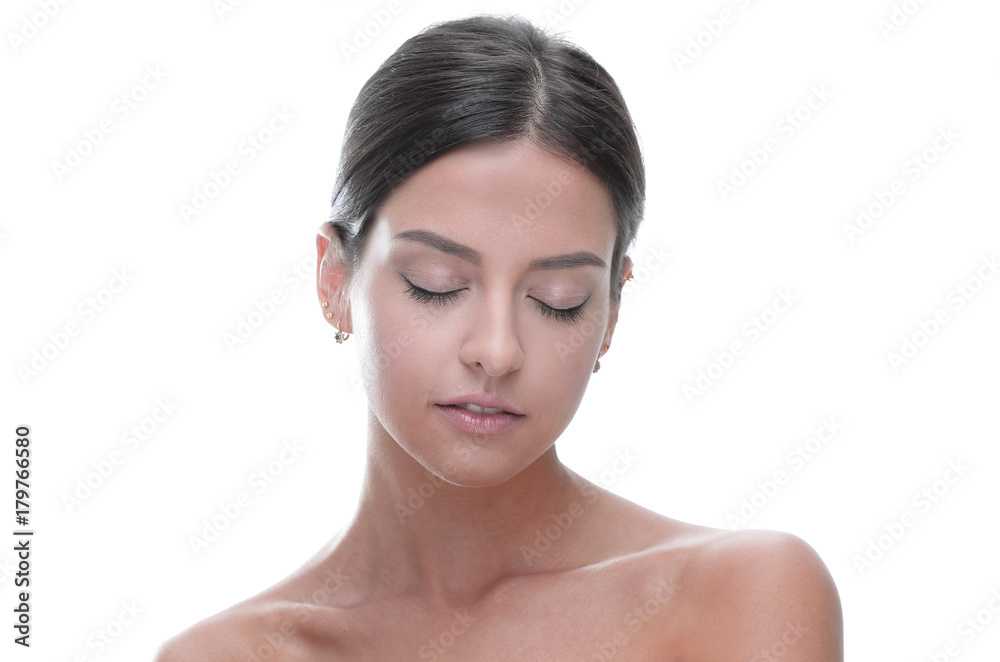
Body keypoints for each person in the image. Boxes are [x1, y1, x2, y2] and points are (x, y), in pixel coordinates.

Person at [157, 14, 843, 660]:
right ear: (335, 281)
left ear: (611, 312)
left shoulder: (741, 596)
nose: (498, 350)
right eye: (436, 284)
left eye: (558, 301)